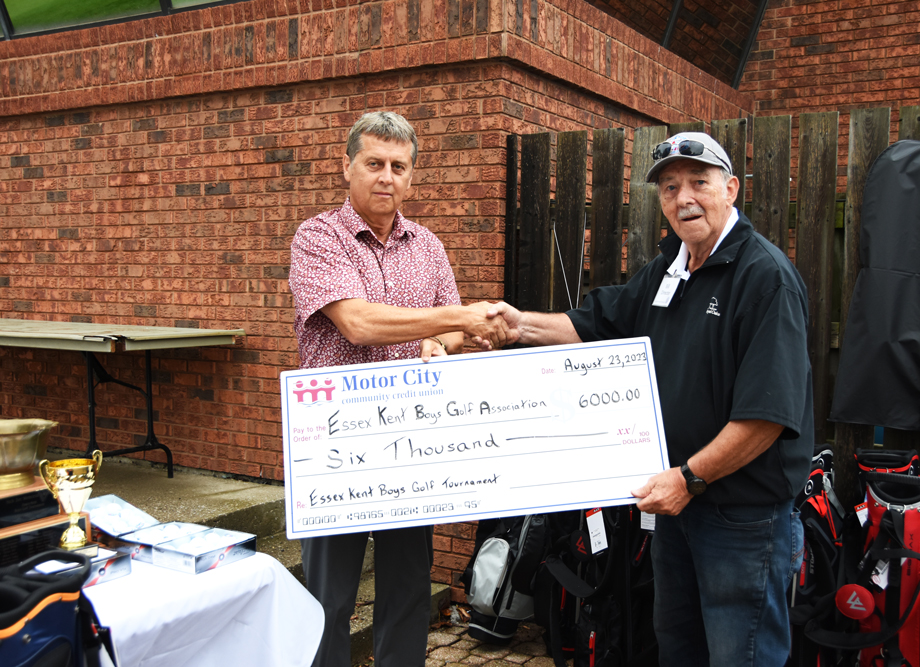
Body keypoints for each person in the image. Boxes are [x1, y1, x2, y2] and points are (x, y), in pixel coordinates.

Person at [486, 132, 813, 666]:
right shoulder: (669, 269)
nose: (683, 198)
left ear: (730, 189)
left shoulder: (764, 277)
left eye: (698, 183)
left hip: (740, 520)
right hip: (675, 509)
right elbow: (596, 324)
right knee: (677, 647)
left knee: (741, 656)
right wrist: (516, 325)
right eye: (669, 187)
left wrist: (690, 478)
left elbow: (765, 418)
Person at [289, 111, 510, 667]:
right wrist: (450, 318)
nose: (386, 176)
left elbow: (451, 331)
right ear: (347, 167)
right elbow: (358, 324)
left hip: (412, 445)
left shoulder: (428, 246)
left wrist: (456, 338)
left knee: (408, 591)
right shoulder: (319, 238)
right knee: (328, 598)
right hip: (339, 445)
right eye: (374, 163)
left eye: (398, 166)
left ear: (411, 177)